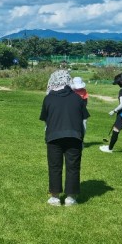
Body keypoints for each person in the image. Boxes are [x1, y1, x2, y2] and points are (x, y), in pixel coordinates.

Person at [40, 70, 89, 206]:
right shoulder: (77, 98)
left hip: (53, 136)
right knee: (73, 167)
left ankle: (55, 197)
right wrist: (82, 138)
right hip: (74, 136)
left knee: (54, 166)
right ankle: (70, 198)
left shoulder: (48, 98)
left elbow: (46, 121)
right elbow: (84, 121)